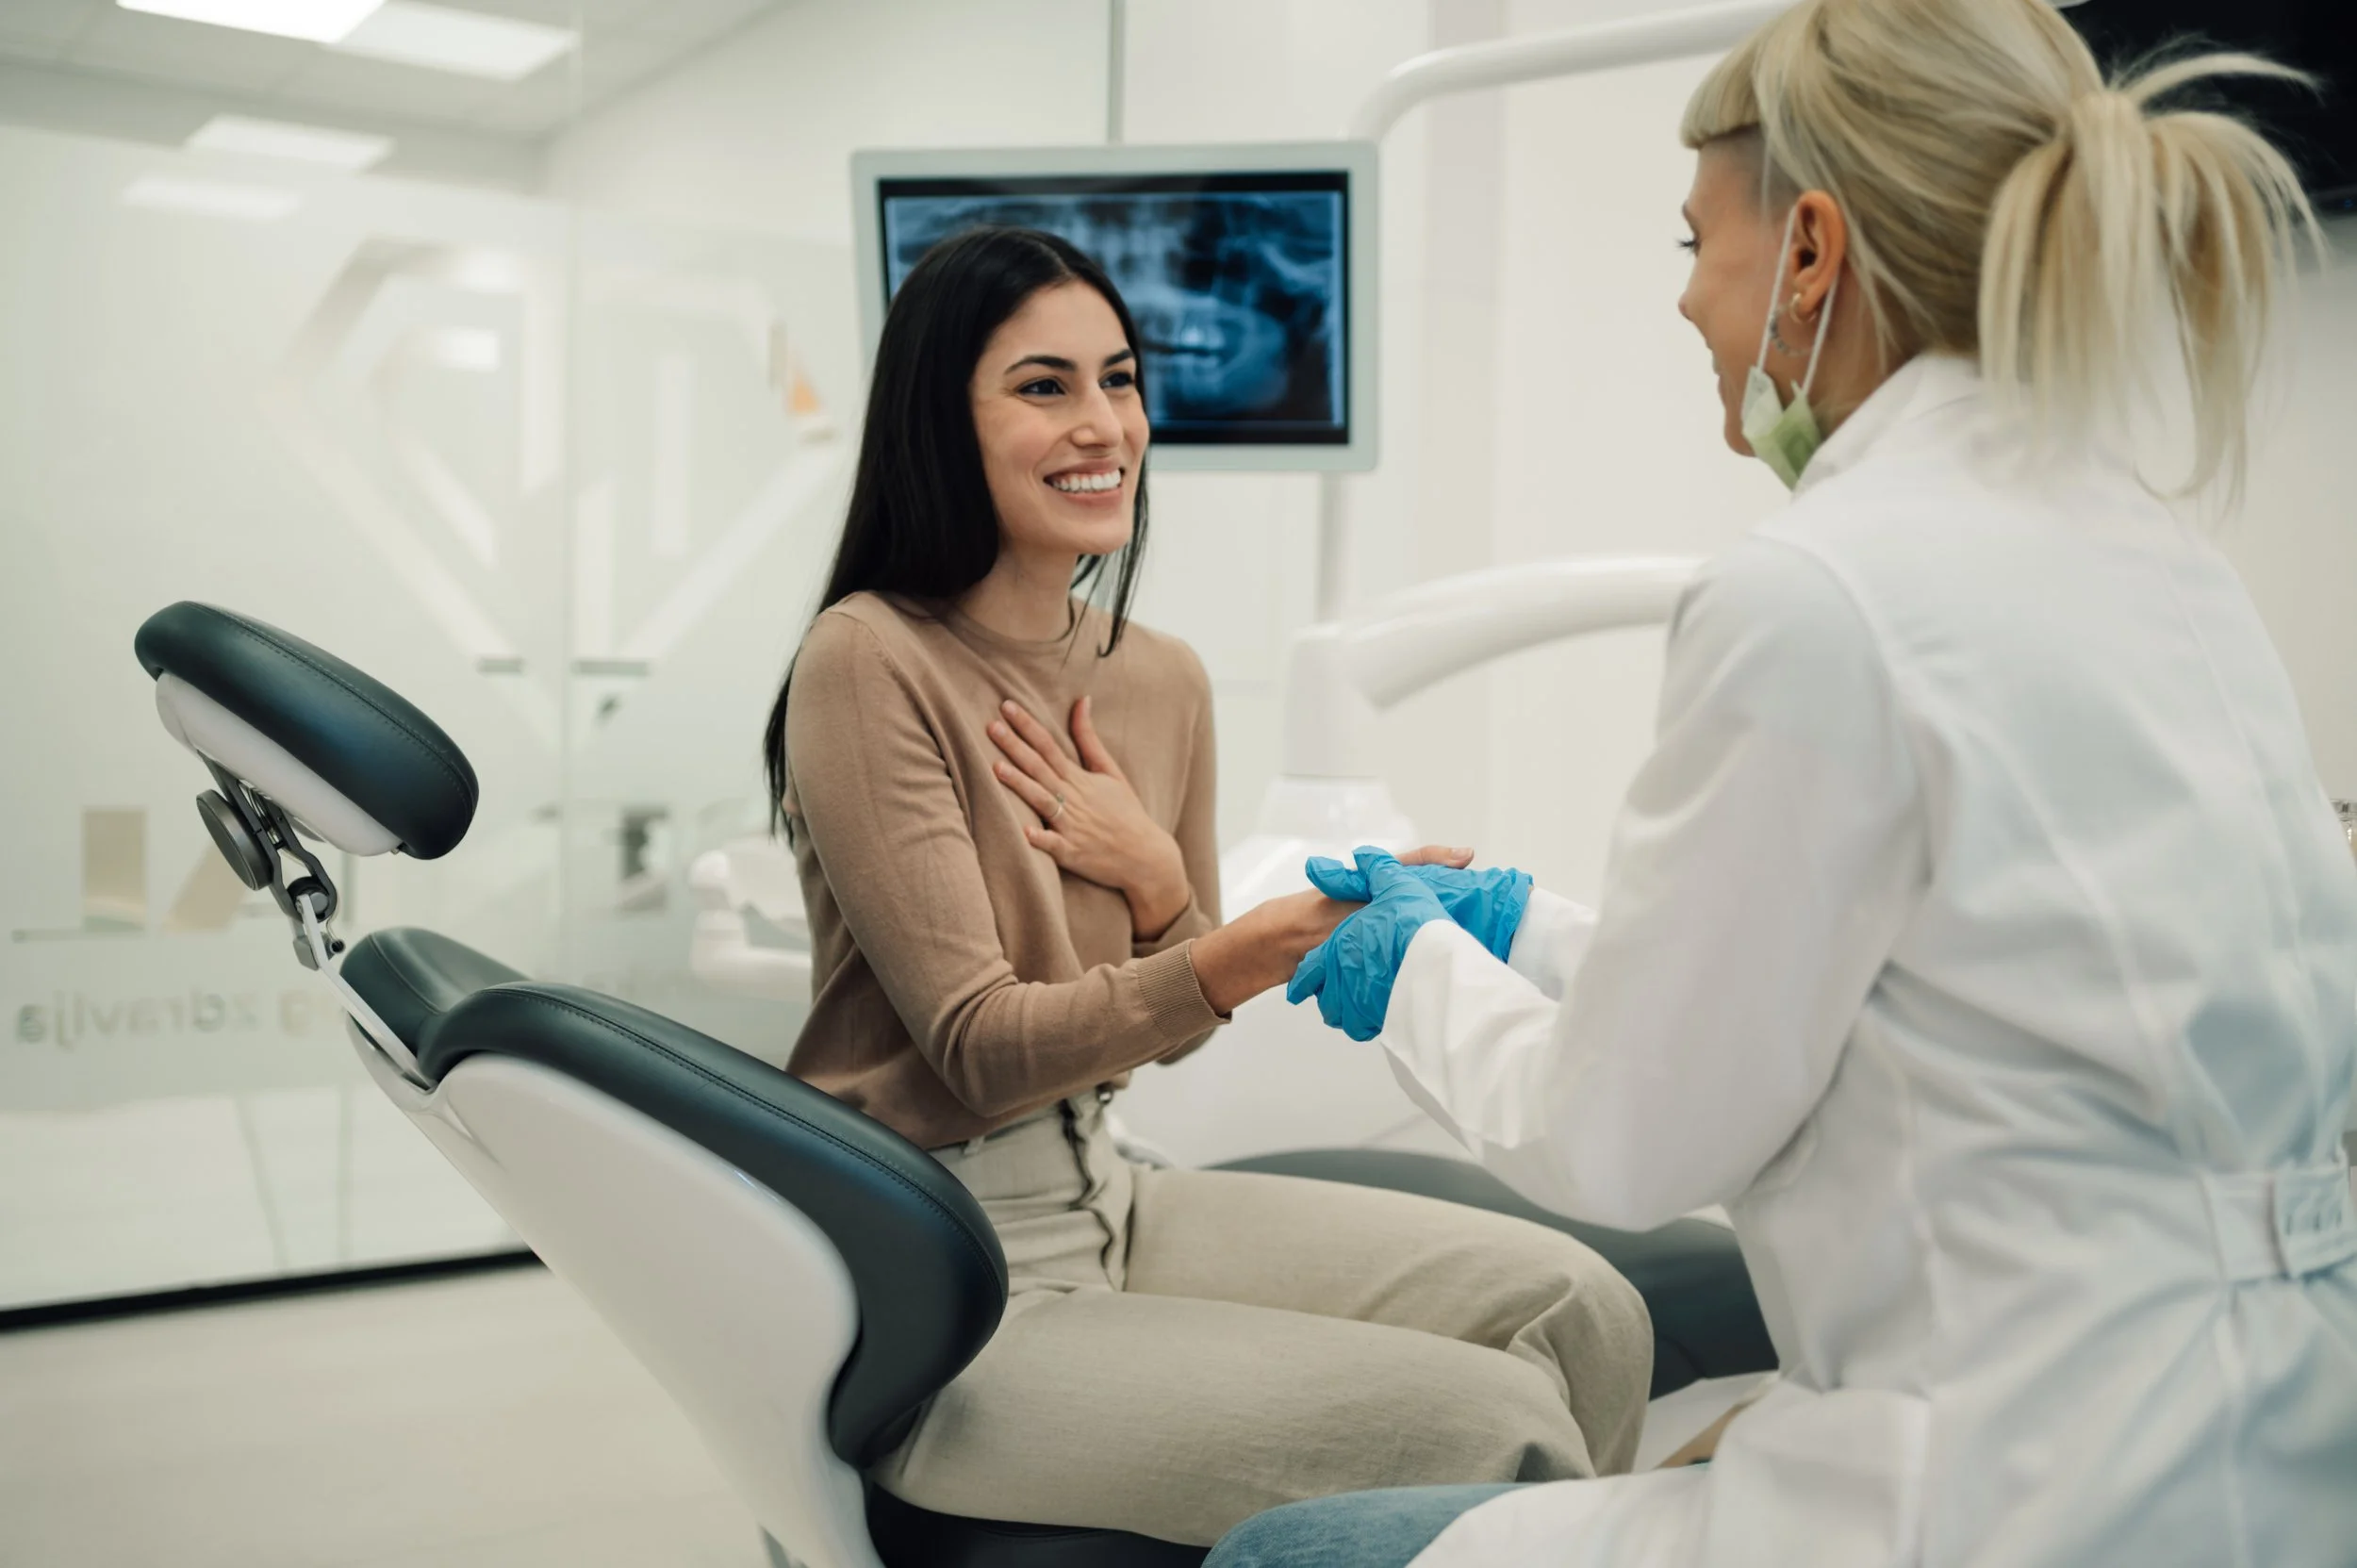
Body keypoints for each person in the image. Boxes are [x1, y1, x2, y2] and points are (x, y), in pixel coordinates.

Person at [1210, 1, 2357, 1565]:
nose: (1688, 300)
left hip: (2005, 1486)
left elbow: (1623, 1145)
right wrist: (1522, 923)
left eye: (1698, 241)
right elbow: (1903, 1001)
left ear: (1810, 251)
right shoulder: (2158, 557)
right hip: (2256, 1444)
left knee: (1289, 1553)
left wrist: (1408, 963)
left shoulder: (1822, 594)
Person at [760, 224, 1654, 1550]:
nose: (1104, 424)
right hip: (949, 1275)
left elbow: (1161, 1034)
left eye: (1119, 379)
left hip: (1116, 1191)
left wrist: (1164, 881)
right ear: (939, 422)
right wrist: (1247, 939)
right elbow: (980, 1048)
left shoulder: (1158, 677)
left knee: (1584, 1312)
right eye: (1044, 385)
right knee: (1486, 1424)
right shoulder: (870, 658)